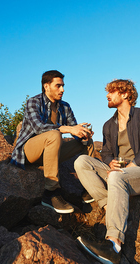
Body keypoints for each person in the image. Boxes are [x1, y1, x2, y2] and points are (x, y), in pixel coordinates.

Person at [75, 79, 140, 264]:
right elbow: (106, 152)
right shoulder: (108, 125)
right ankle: (109, 206)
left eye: (112, 91)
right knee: (81, 161)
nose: (107, 95)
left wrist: (128, 168)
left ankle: (114, 245)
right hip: (119, 172)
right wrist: (110, 163)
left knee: (116, 176)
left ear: (125, 94)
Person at [11, 70, 94, 214]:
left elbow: (73, 129)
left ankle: (88, 189)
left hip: (51, 152)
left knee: (87, 141)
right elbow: (38, 127)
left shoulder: (65, 106)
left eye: (63, 86)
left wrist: (81, 133)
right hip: (30, 152)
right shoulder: (33, 102)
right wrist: (68, 129)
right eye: (58, 86)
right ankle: (51, 193)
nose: (62, 90)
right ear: (46, 86)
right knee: (54, 134)